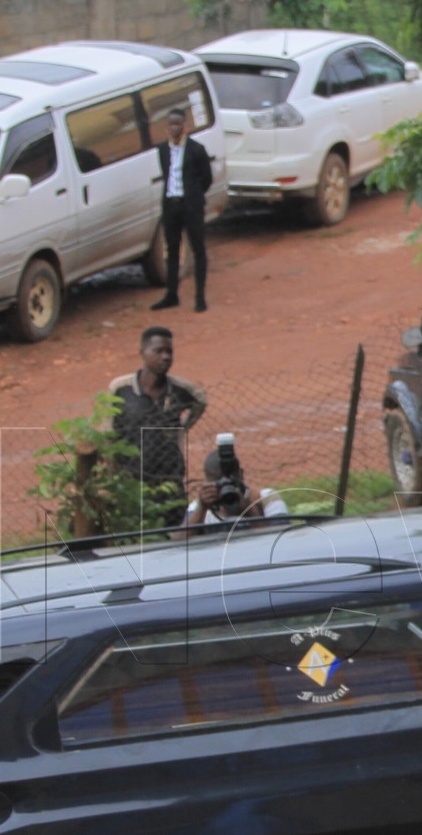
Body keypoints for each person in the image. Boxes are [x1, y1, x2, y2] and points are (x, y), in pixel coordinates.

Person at [108, 327, 208, 519]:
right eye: (158, 351)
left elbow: (201, 401)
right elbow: (108, 435)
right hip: (131, 479)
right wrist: (112, 477)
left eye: (169, 352)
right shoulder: (121, 389)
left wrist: (182, 429)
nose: (165, 357)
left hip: (169, 478)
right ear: (142, 353)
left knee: (174, 530)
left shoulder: (179, 390)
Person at [152, 108, 213, 313]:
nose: (174, 128)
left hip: (191, 206)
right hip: (171, 204)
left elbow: (207, 178)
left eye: (178, 124)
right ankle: (171, 295)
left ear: (185, 126)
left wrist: (194, 196)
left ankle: (200, 297)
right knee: (172, 249)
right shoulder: (162, 150)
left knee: (198, 249)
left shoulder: (197, 150)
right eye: (170, 124)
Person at [181, 445, 289, 533]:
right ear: (207, 483)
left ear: (241, 475)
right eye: (218, 483)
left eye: (230, 483)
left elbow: (280, 545)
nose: (224, 488)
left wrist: (250, 512)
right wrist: (201, 509)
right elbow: (177, 548)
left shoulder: (266, 499)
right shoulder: (198, 509)